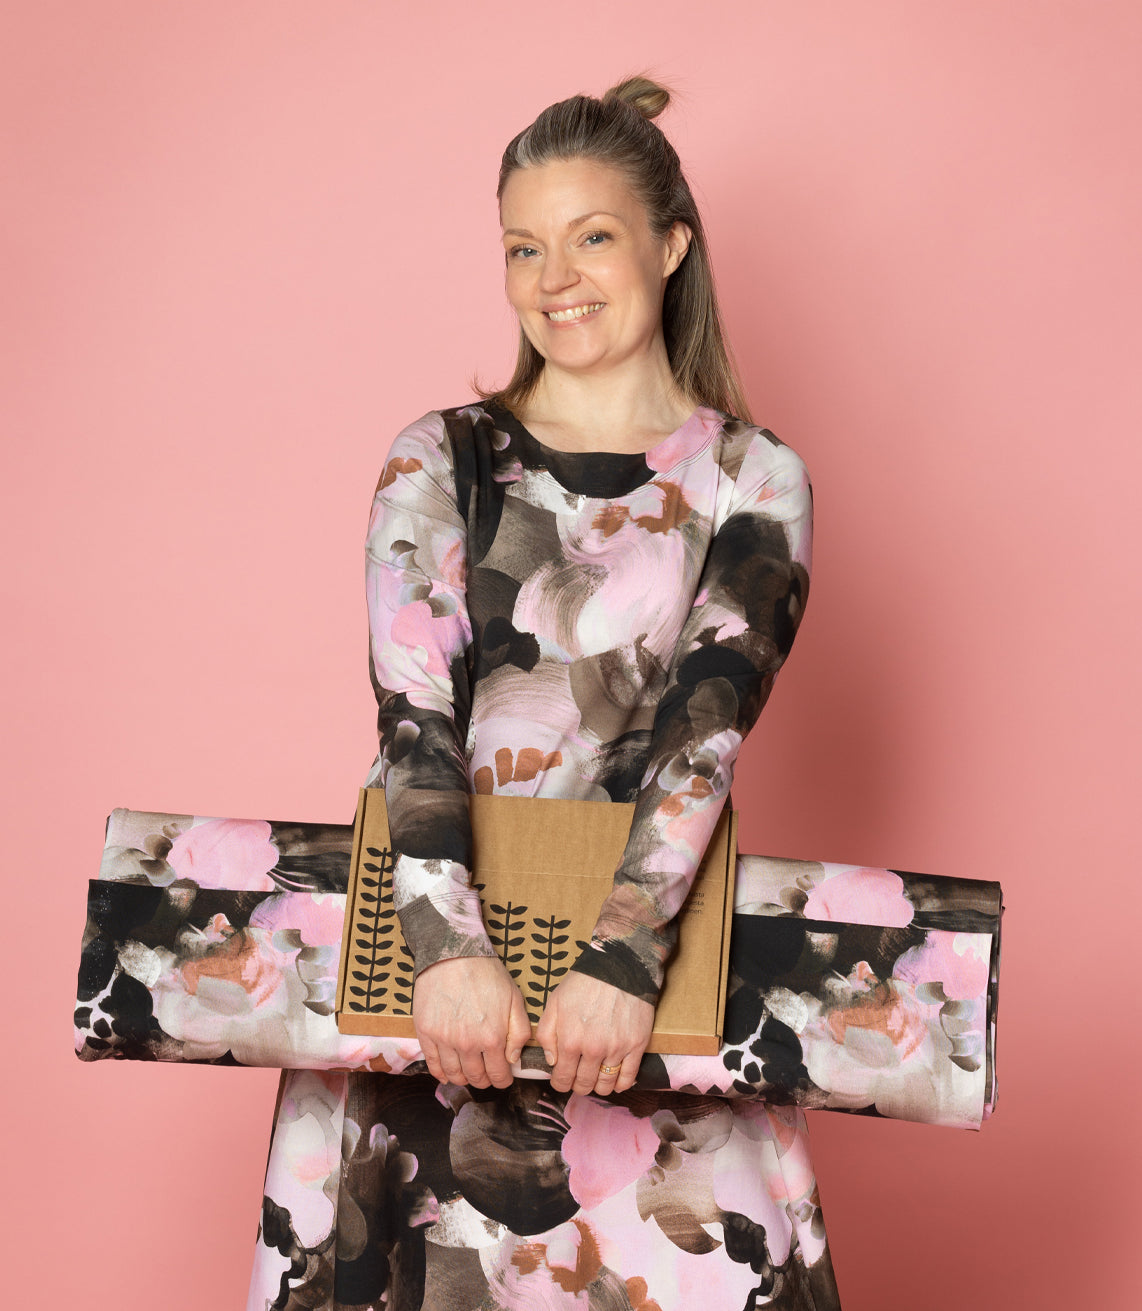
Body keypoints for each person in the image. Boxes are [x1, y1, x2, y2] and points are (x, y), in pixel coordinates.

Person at [248, 74, 841, 1310]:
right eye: (524, 247)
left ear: (669, 246)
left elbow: (701, 738)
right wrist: (445, 954)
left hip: (638, 989)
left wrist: (620, 957)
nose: (554, 277)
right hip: (439, 984)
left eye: (591, 237)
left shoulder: (751, 478)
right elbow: (413, 721)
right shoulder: (439, 458)